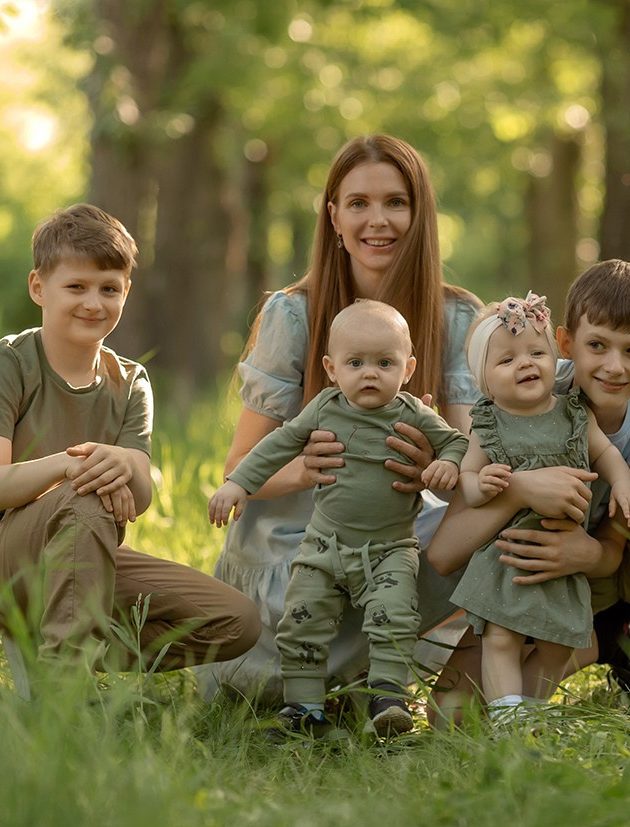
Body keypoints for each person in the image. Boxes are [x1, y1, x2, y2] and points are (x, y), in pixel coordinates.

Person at [199, 134, 483, 711]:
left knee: (505, 512)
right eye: (358, 203)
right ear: (333, 216)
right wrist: (306, 468)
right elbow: (239, 470)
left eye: (396, 203)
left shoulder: (457, 317)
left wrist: (433, 467)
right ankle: (321, 677)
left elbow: (471, 465)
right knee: (310, 609)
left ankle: (464, 686)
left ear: (420, 213)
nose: (378, 221)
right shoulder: (294, 313)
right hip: (299, 550)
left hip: (391, 541)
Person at [0, 203, 261, 688]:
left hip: (86, 556)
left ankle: (60, 643)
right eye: (76, 287)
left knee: (236, 620)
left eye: (109, 289)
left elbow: (138, 498)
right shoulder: (8, 365)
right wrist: (77, 466)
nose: (94, 302)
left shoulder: (130, 381)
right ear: (38, 288)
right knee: (84, 496)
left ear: (126, 292)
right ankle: (63, 695)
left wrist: (121, 466)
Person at [428, 259, 630, 720]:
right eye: (596, 345)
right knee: (450, 712)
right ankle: (608, 642)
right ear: (564, 342)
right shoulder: (522, 393)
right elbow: (443, 554)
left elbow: (628, 543)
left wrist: (595, 554)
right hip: (550, 584)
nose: (614, 367)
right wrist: (518, 490)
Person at [209, 300, 468, 737]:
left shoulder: (413, 413)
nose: (370, 373)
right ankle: (305, 708)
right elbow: (278, 444)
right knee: (304, 617)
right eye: (356, 362)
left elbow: (457, 441)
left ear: (408, 368)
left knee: (394, 617)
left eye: (385, 362)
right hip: (324, 545)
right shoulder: (324, 408)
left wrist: (448, 464)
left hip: (390, 549)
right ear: (331, 368)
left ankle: (388, 699)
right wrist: (238, 483)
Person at [450, 291, 630, 723]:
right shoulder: (486, 424)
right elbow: (467, 480)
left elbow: (606, 454)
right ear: (483, 379)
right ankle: (506, 717)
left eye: (536, 352)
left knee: (558, 646)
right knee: (501, 639)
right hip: (509, 554)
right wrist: (483, 485)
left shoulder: (573, 414)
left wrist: (625, 483)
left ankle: (530, 712)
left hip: (563, 554)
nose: (525, 363)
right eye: (507, 360)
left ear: (554, 357)